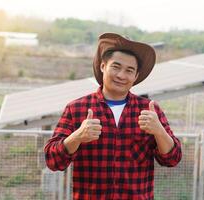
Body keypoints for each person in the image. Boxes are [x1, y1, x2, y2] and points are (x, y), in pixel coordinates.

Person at [44, 32, 182, 200]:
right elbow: (53, 161)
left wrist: (159, 131)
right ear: (103, 66)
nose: (121, 75)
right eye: (116, 67)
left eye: (129, 70)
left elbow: (173, 159)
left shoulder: (149, 110)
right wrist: (77, 137)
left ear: (136, 76)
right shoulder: (77, 108)